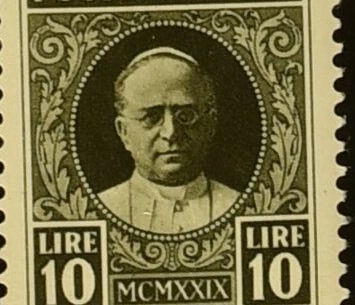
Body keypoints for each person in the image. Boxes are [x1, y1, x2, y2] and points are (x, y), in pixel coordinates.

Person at [93, 44, 247, 235]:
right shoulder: (98, 211)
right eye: (152, 117)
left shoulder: (242, 207)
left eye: (186, 116)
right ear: (124, 131)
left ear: (210, 124)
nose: (171, 133)